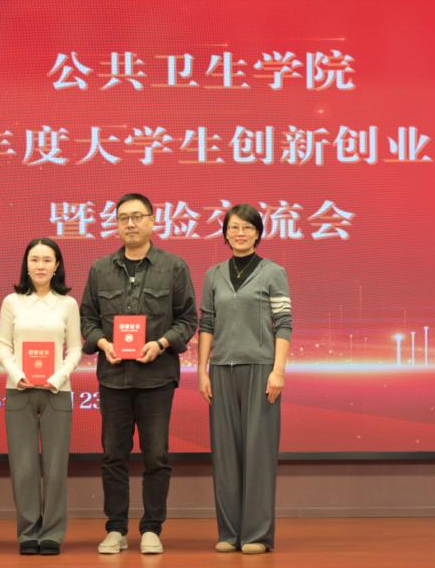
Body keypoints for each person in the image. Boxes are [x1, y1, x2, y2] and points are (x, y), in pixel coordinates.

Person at [80, 193, 198, 555]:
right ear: (116, 224)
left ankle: (151, 528)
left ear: (151, 221)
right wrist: (103, 343)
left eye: (137, 216)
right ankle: (115, 528)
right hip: (113, 377)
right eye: (123, 218)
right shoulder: (100, 269)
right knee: (113, 455)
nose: (130, 224)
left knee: (156, 455)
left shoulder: (174, 267)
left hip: (156, 377)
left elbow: (188, 319)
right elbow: (87, 320)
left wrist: (161, 343)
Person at [196, 203, 292, 555]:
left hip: (260, 370)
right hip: (221, 370)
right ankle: (229, 532)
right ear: (225, 233)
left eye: (247, 227)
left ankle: (257, 535)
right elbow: (207, 324)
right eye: (234, 227)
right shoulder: (213, 275)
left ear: (258, 233)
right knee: (225, 454)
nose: (240, 233)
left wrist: (278, 371)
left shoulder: (273, 272)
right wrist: (202, 371)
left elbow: (284, 324)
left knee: (258, 452)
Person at [0, 238, 82, 556]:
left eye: (47, 260)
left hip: (57, 391)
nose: (41, 266)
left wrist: (58, 377)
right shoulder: (12, 302)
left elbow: (75, 348)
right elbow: (3, 345)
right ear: (26, 264)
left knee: (56, 466)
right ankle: (28, 532)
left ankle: (53, 533)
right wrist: (16, 373)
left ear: (57, 265)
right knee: (23, 466)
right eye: (34, 260)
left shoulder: (68, 304)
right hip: (19, 389)